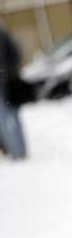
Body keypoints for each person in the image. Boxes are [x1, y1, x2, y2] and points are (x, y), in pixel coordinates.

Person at [0, 25, 28, 160]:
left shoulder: (3, 35)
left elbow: (15, 55)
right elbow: (16, 55)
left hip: (7, 86)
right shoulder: (4, 34)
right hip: (9, 84)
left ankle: (16, 152)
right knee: (11, 120)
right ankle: (18, 150)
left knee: (6, 121)